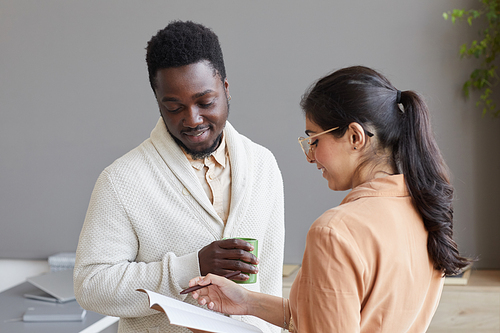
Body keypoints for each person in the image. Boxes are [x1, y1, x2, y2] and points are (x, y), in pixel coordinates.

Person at [188, 66, 471, 332]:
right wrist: (249, 302)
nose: (311, 156)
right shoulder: (425, 210)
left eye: (314, 140)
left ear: (355, 137)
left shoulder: (334, 232)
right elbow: (341, 315)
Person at [73, 21, 284, 333]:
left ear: (225, 89)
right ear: (158, 102)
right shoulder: (121, 181)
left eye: (205, 102)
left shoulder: (262, 165)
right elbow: (90, 285)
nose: (192, 119)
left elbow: (268, 282)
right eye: (174, 107)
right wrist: (191, 268)